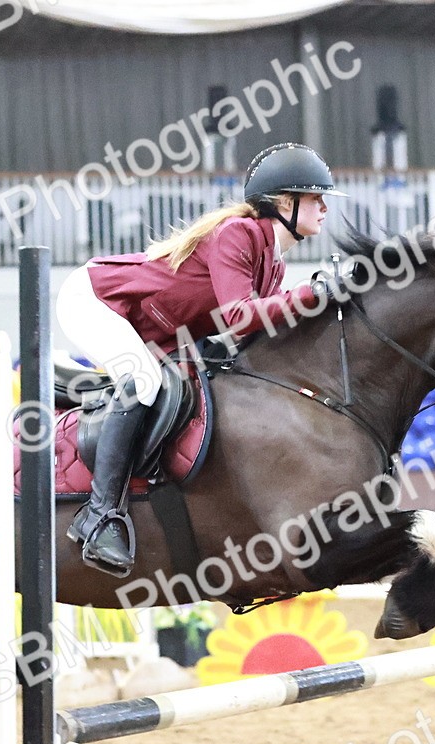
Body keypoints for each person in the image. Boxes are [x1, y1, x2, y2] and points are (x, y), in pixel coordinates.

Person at [55, 142, 345, 577]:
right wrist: (310, 294)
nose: (324, 208)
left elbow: (257, 333)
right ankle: (99, 517)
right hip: (96, 300)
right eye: (316, 198)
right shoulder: (238, 234)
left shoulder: (274, 264)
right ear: (285, 203)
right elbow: (238, 316)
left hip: (153, 330)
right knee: (145, 383)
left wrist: (325, 305)